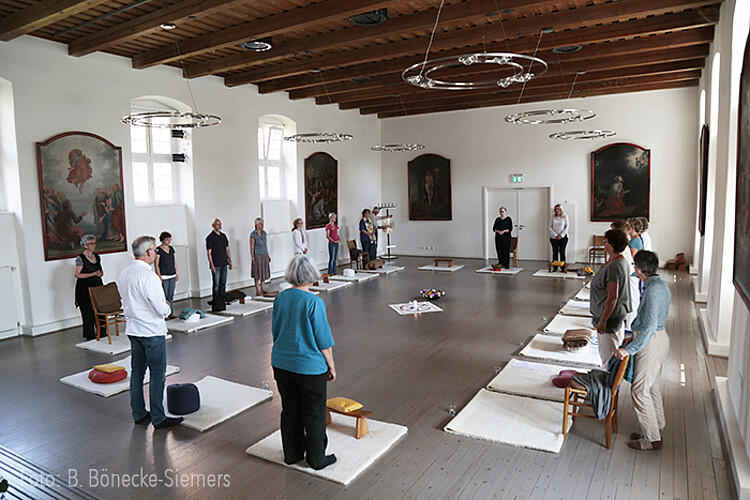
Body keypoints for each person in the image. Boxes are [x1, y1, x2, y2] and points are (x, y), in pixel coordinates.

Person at [271, 255, 337, 470]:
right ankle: (317, 459)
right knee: (314, 413)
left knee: (290, 410)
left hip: (281, 362)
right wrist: (332, 366)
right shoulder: (314, 302)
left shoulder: (280, 298)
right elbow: (323, 340)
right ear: (311, 275)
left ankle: (292, 454)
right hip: (309, 367)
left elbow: (275, 330)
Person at [117, 235, 182, 429]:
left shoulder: (124, 274)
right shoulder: (149, 277)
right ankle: (158, 417)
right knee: (157, 374)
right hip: (151, 331)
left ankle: (138, 413)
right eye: (154, 249)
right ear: (148, 252)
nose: (155, 252)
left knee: (137, 373)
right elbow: (161, 309)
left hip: (134, 330)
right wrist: (167, 307)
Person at [615, 250, 671, 451]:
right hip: (655, 340)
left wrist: (629, 349)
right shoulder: (656, 284)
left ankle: (651, 438)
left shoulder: (654, 290)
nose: (634, 270)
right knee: (652, 387)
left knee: (639, 390)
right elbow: (647, 322)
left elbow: (650, 326)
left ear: (641, 269)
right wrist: (633, 335)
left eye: (635, 266)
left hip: (652, 343)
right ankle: (656, 427)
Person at [589, 229, 632, 364]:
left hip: (610, 318)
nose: (603, 244)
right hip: (614, 315)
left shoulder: (614, 265)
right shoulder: (618, 260)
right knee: (610, 352)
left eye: (605, 241)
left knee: (609, 357)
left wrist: (603, 320)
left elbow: (613, 296)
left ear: (612, 244)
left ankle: (610, 382)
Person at [611, 220, 640, 333]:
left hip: (630, 276)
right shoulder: (623, 246)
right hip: (628, 276)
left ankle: (628, 327)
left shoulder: (625, 248)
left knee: (631, 301)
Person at [74, 234, 104, 340]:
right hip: (84, 288)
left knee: (100, 308)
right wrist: (92, 274)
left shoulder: (97, 256)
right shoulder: (80, 258)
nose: (93, 245)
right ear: (85, 245)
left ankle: (102, 332)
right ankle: (90, 334)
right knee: (87, 311)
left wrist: (99, 274)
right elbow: (77, 274)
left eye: (94, 243)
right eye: (91, 244)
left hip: (97, 286)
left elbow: (100, 270)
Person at [206, 218, 232, 301]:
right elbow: (209, 253)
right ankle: (216, 301)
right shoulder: (210, 238)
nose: (219, 226)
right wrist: (212, 265)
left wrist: (230, 260)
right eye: (217, 224)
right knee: (216, 284)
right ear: (213, 226)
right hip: (216, 264)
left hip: (224, 262)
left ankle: (222, 299)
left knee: (223, 283)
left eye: (220, 224)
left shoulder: (223, 236)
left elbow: (227, 249)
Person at [155, 231, 178, 319]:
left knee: (170, 295)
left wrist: (176, 272)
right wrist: (159, 276)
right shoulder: (158, 250)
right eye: (167, 239)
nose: (168, 241)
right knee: (164, 295)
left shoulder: (171, 249)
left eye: (169, 239)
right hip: (164, 275)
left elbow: (174, 261)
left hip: (172, 274)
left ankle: (171, 312)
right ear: (162, 240)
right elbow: (156, 264)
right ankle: (165, 314)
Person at [250, 217, 271, 296]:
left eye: (263, 224)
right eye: (260, 224)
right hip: (257, 255)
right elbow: (252, 247)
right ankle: (257, 290)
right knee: (257, 273)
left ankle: (263, 288)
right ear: (256, 225)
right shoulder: (253, 235)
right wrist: (252, 257)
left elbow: (265, 245)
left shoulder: (264, 233)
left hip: (264, 254)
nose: (262, 225)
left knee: (263, 272)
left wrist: (268, 255)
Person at [548, 204, 569, 271]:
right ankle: (555, 267)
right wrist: (555, 235)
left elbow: (567, 227)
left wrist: (561, 235)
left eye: (558, 209)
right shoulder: (552, 217)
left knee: (562, 252)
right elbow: (550, 227)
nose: (557, 211)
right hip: (554, 238)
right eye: (556, 209)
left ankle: (563, 267)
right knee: (555, 252)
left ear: (561, 210)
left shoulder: (565, 216)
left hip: (563, 237)